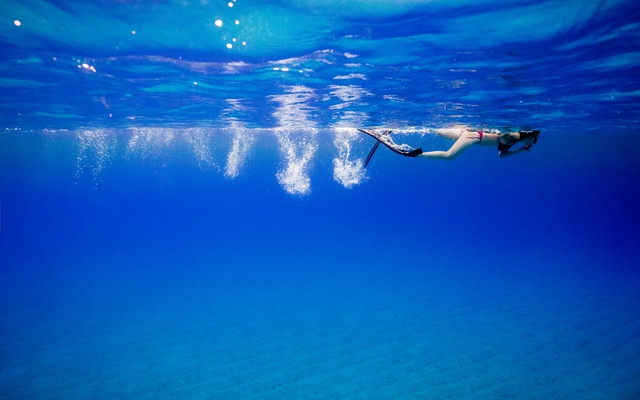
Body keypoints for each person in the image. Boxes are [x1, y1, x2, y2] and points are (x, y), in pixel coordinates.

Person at [358, 127, 539, 166]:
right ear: (531, 135)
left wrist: (521, 150)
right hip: (473, 136)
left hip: (469, 134)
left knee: (434, 130)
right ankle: (411, 154)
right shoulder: (515, 137)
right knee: (449, 156)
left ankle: (390, 127)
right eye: (535, 139)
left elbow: (501, 156)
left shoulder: (514, 144)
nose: (534, 144)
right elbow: (508, 135)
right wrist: (525, 136)